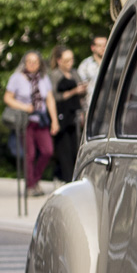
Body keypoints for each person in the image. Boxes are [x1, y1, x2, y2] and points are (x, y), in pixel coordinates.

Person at [4, 49, 58, 196]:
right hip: (25, 121)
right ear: (24, 63)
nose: (32, 64)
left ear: (40, 64)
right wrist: (24, 107)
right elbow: (8, 98)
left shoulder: (43, 78)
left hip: (41, 119)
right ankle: (30, 185)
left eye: (35, 62)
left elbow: (50, 99)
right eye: (29, 61)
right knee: (30, 154)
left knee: (47, 151)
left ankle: (35, 179)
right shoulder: (17, 78)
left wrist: (54, 120)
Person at [50, 46, 86, 182]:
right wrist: (74, 91)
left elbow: (80, 95)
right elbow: (54, 96)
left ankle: (74, 177)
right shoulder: (55, 75)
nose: (70, 63)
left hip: (75, 115)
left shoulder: (75, 73)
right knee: (64, 150)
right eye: (66, 60)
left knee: (75, 149)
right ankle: (66, 178)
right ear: (59, 61)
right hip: (62, 115)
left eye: (71, 60)